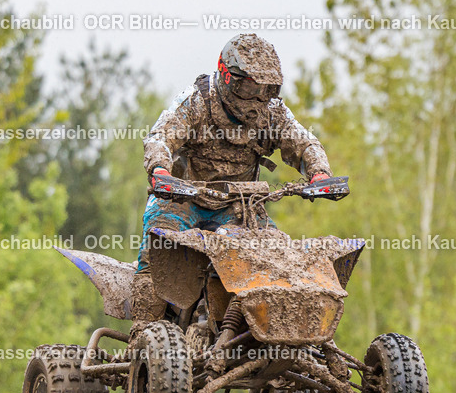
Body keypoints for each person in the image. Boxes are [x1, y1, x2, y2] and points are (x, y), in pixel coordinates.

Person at [132, 33, 334, 323]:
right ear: (228, 76)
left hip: (240, 206)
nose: (256, 96)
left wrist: (319, 172)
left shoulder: (272, 112)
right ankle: (145, 335)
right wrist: (160, 169)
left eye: (266, 88)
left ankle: (271, 335)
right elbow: (160, 136)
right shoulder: (198, 101)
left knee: (279, 257)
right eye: (249, 85)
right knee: (157, 253)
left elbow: (303, 143)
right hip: (181, 198)